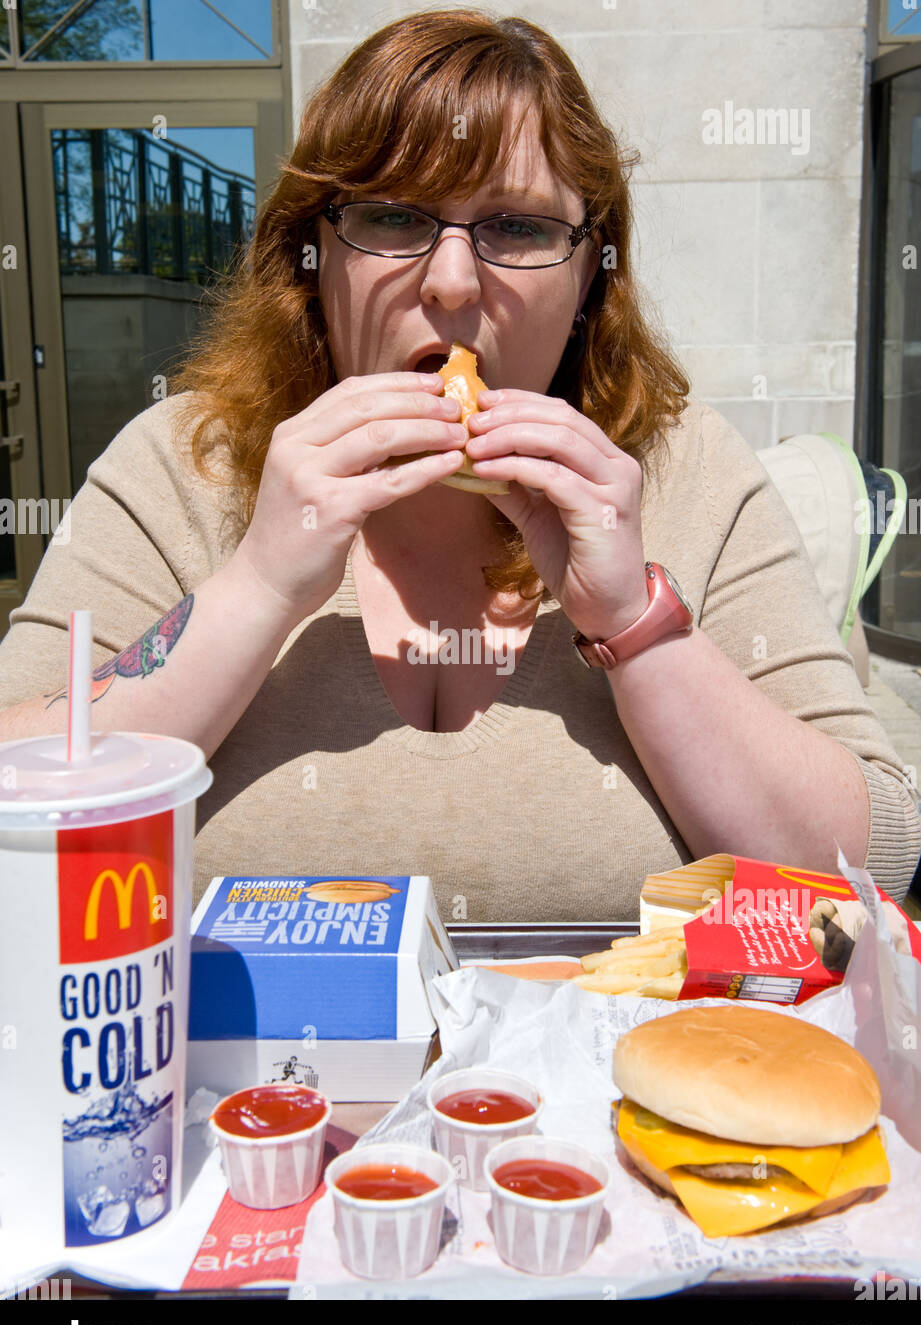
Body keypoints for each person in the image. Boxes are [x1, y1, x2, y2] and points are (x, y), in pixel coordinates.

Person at [0, 11, 918, 922]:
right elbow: (15, 797)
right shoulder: (187, 466)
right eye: (393, 218)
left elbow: (867, 864)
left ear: (591, 274)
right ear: (312, 260)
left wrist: (637, 624)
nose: (449, 283)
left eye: (514, 228)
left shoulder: (685, 474)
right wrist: (259, 586)